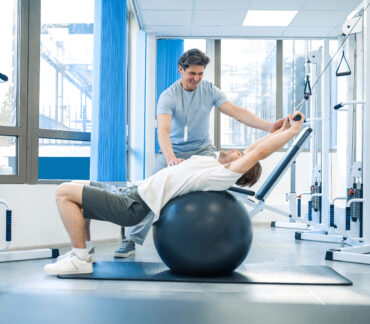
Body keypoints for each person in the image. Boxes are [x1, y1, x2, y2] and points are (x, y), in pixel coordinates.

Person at [44, 112, 304, 275]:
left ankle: (79, 259)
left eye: (240, 155)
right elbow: (254, 147)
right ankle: (85, 252)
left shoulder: (223, 175)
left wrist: (293, 132)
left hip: (134, 204)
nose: (237, 150)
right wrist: (281, 129)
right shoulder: (215, 162)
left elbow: (258, 153)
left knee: (63, 192)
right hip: (132, 189)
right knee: (77, 187)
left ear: (240, 166)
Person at [112, 48, 285, 257]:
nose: (196, 78)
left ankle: (221, 235)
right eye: (192, 73)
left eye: (200, 74)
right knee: (151, 191)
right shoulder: (168, 96)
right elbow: (164, 131)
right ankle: (131, 240)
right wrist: (170, 158)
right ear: (180, 70)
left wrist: (269, 127)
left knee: (221, 181)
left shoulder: (210, 90)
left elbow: (237, 112)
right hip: (173, 151)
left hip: (204, 149)